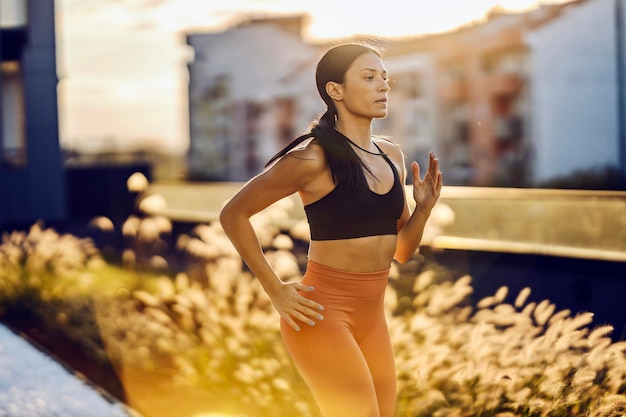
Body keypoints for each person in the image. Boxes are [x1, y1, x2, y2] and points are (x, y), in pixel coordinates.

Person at [219, 42, 442, 417]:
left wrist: (422, 210)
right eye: (369, 78)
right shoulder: (311, 158)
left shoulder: (393, 157)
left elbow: (402, 251)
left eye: (384, 78)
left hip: (373, 316)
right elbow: (233, 214)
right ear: (335, 91)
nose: (383, 87)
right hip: (320, 314)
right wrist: (276, 291)